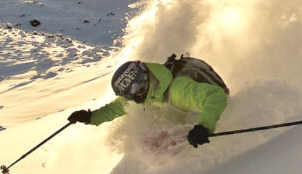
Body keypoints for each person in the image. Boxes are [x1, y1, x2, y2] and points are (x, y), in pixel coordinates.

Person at [67, 55, 229, 147]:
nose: (133, 98)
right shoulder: (142, 95)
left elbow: (215, 95)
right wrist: (90, 117)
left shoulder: (177, 90)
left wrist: (204, 127)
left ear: (144, 81)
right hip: (185, 114)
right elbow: (114, 109)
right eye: (128, 95)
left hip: (210, 112)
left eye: (134, 91)